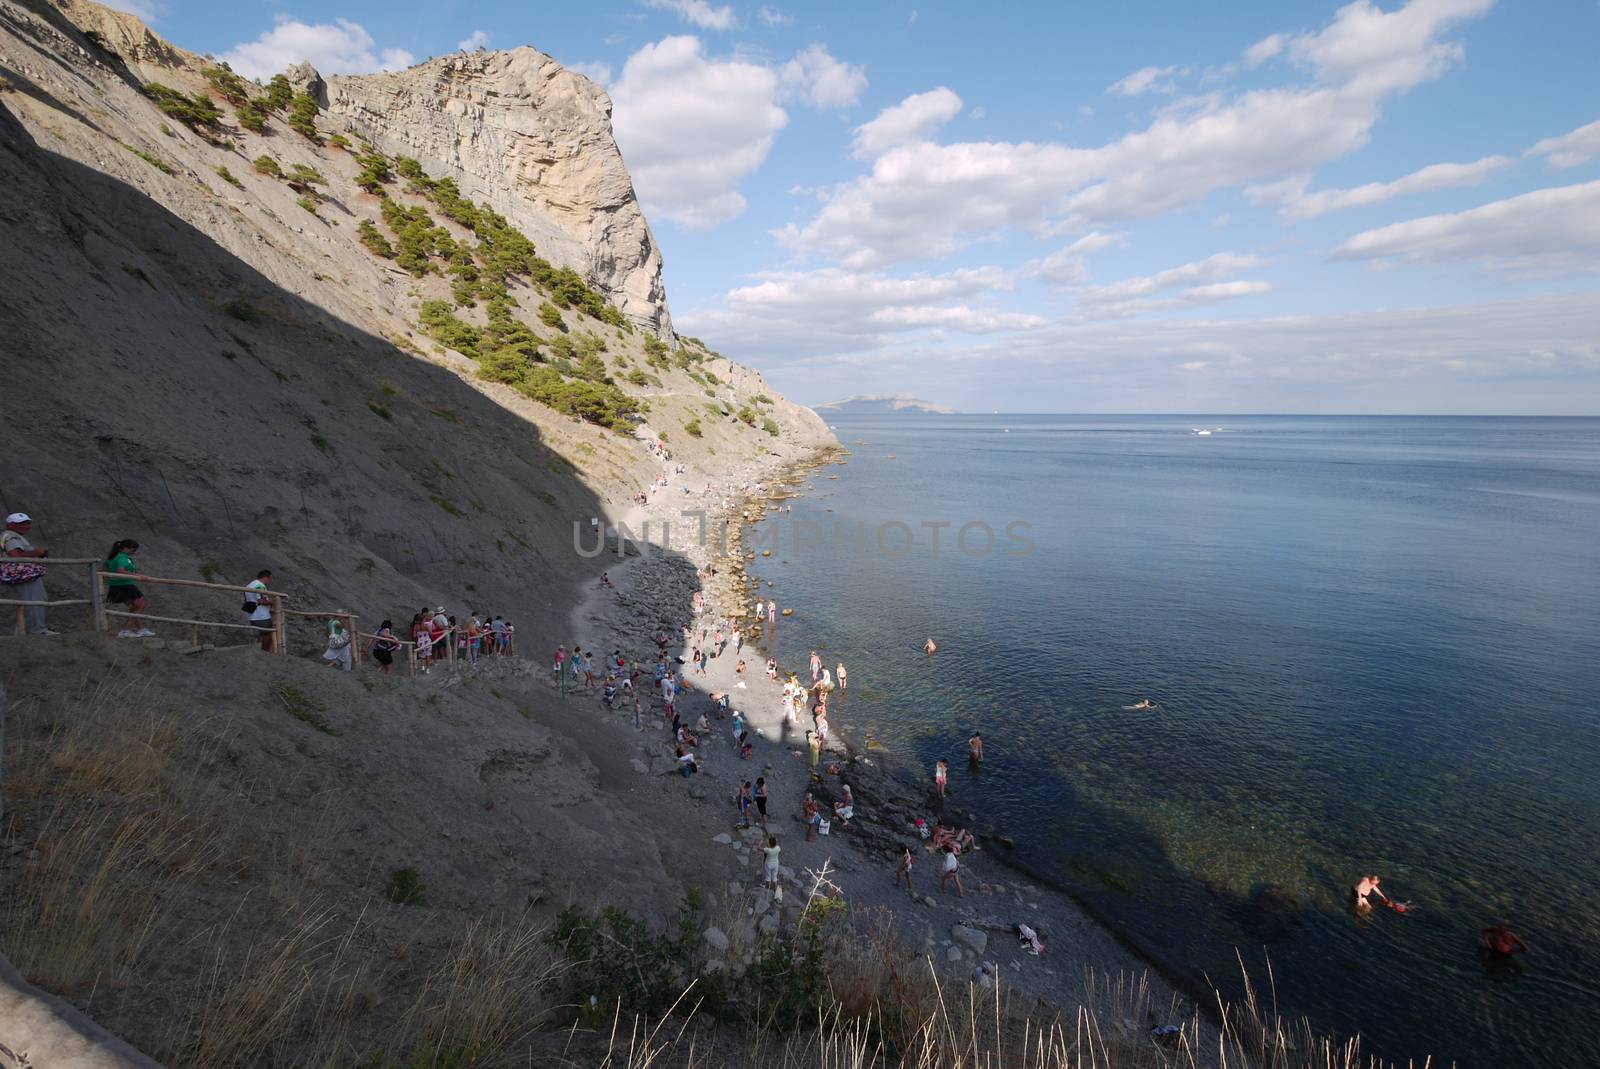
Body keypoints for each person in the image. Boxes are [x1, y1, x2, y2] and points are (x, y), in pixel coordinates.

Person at [2, 513, 56, 636]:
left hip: (24, 575)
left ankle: (24, 632)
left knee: (34, 599)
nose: (25, 526)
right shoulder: (11, 536)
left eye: (27, 523)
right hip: (23, 575)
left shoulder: (14, 536)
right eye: (20, 524)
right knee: (34, 600)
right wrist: (37, 552)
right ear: (10, 525)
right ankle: (37, 631)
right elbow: (15, 555)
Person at [104, 539, 153, 637]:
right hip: (125, 584)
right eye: (132, 550)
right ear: (125, 548)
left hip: (116, 585)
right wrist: (138, 576)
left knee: (133, 608)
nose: (133, 552)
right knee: (141, 605)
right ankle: (126, 630)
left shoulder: (113, 557)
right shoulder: (123, 557)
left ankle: (140, 629)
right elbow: (120, 570)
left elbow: (106, 570)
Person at [244, 569, 275, 652]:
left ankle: (257, 654)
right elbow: (261, 600)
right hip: (262, 616)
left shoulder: (249, 585)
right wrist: (272, 602)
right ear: (266, 577)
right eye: (270, 578)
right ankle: (264, 655)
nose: (270, 580)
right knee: (267, 638)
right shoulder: (260, 586)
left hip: (252, 615)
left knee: (259, 637)